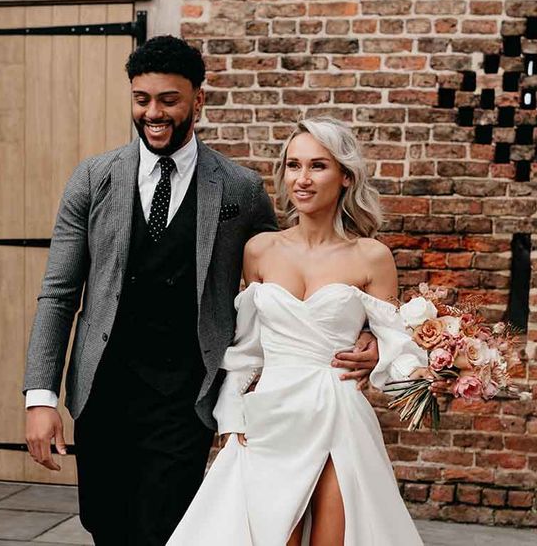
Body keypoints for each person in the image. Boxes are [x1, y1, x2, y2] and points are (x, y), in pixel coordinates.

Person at [22, 36, 380, 546]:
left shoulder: (239, 189)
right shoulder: (93, 178)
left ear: (197, 100)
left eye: (169, 100)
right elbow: (58, 293)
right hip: (104, 394)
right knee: (107, 526)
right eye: (142, 99)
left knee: (169, 530)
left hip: (186, 399)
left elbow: (293, 269)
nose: (154, 113)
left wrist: (366, 332)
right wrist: (40, 396)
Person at [168, 116, 430, 546]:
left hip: (338, 412)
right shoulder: (260, 251)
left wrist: (398, 361)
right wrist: (231, 416)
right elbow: (247, 350)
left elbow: (395, 346)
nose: (302, 179)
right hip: (270, 415)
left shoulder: (372, 257)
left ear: (346, 176)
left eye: (318, 166)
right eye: (293, 166)